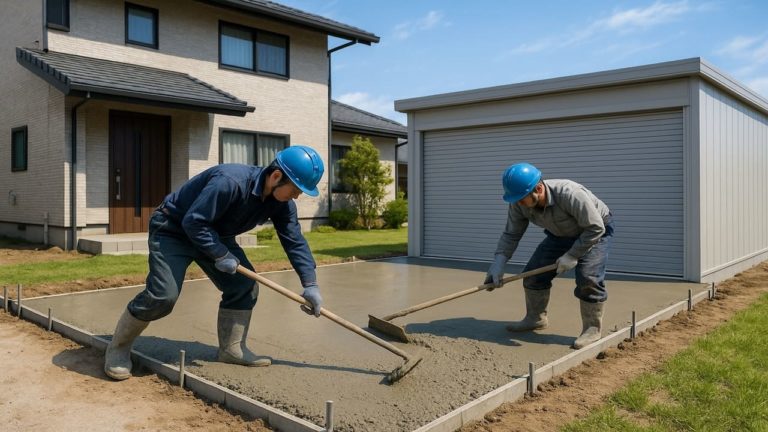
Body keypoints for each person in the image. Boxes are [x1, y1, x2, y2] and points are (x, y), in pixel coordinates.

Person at [104, 145, 325, 380]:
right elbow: (194, 222)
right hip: (173, 230)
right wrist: (219, 254)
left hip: (216, 234)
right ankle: (118, 348)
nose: (297, 196)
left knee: (244, 286)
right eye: (296, 189)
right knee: (163, 296)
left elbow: (294, 241)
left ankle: (232, 349)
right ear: (276, 176)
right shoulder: (229, 182)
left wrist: (310, 283)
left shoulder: (282, 205)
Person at [484, 162, 614, 349]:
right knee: (533, 275)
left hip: (594, 231)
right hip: (559, 234)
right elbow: (511, 234)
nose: (518, 203)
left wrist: (572, 255)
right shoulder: (518, 202)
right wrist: (498, 263)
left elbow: (595, 228)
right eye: (516, 200)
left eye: (521, 199)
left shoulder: (570, 194)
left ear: (538, 189)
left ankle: (592, 329)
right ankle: (535, 319)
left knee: (588, 278)